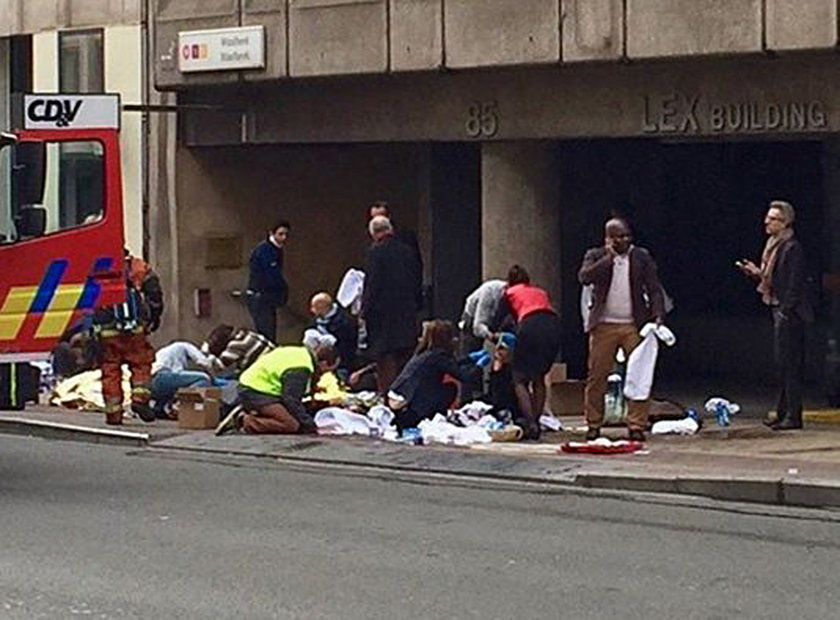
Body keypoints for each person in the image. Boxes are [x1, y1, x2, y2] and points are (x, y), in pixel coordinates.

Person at [578, 217, 665, 441]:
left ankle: (636, 424)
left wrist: (657, 316)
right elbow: (585, 277)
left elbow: (654, 288)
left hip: (633, 324)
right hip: (603, 324)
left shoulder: (641, 257)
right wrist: (608, 257)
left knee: (639, 374)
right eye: (619, 237)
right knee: (597, 375)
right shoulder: (596, 255)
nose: (625, 240)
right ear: (609, 238)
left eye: (627, 236)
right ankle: (594, 423)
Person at [737, 200, 814, 431]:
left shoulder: (791, 247)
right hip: (777, 307)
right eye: (767, 217)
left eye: (773, 219)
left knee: (790, 365)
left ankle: (793, 414)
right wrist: (756, 273)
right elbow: (772, 278)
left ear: (785, 222)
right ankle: (782, 412)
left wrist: (785, 310)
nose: (767, 222)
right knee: (781, 364)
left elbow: (794, 283)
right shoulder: (773, 246)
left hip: (790, 313)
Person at [94, 250, 164, 425]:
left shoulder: (94, 265)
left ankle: (113, 413)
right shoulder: (136, 266)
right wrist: (154, 316)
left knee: (110, 369)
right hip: (134, 328)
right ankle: (140, 400)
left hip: (106, 329)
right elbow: (154, 292)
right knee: (141, 363)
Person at [493, 265, 561, 440]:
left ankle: (530, 423)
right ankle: (537, 421)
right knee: (539, 376)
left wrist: (496, 335)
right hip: (553, 325)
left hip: (530, 325)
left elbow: (498, 320)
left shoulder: (509, 293)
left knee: (519, 378)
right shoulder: (540, 292)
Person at [215, 344, 337, 435]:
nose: (327, 373)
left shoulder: (301, 352)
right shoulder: (301, 368)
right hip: (257, 391)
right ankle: (244, 421)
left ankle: (254, 413)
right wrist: (311, 426)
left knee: (291, 418)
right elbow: (291, 400)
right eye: (330, 370)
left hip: (254, 385)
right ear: (324, 363)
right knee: (291, 425)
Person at [362, 215, 422, 393]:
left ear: (374, 234)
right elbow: (416, 279)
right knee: (405, 357)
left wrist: (365, 311)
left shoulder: (375, 253)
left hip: (383, 317)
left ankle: (388, 397)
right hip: (406, 313)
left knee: (385, 360)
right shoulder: (407, 251)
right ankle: (405, 395)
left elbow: (372, 285)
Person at [388, 320, 465, 431]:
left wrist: (469, 360)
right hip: (412, 404)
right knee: (449, 388)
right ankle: (427, 417)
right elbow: (462, 375)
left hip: (398, 397)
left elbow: (453, 366)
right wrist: (478, 366)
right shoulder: (438, 356)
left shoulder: (421, 353)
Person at [246, 221, 290, 342]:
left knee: (269, 330)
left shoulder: (275, 250)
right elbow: (272, 275)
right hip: (261, 297)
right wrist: (282, 290)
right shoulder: (265, 251)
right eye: (280, 234)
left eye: (286, 234)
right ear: (272, 233)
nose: (283, 238)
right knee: (266, 332)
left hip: (266, 297)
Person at [150, 341, 216, 418]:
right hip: (163, 376)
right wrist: (213, 379)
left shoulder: (164, 351)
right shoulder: (184, 345)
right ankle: (179, 404)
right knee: (204, 378)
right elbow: (204, 362)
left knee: (176, 386)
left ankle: (159, 408)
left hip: (151, 383)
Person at [369, 201, 423, 287]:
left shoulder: (405, 238)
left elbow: (416, 267)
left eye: (381, 217)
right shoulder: (373, 243)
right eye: (374, 218)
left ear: (389, 217)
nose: (378, 222)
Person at [305, 292, 357, 379]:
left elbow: (348, 346)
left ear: (323, 307)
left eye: (315, 307)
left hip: (341, 361)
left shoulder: (344, 321)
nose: (312, 310)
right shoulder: (316, 319)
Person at [201, 324, 274, 377]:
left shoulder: (234, 345)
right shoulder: (248, 334)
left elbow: (218, 367)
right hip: (273, 360)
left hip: (265, 370)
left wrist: (208, 354)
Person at [460, 278, 506, 351]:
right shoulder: (489, 292)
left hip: (493, 318)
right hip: (472, 317)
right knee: (470, 353)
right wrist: (492, 337)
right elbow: (477, 326)